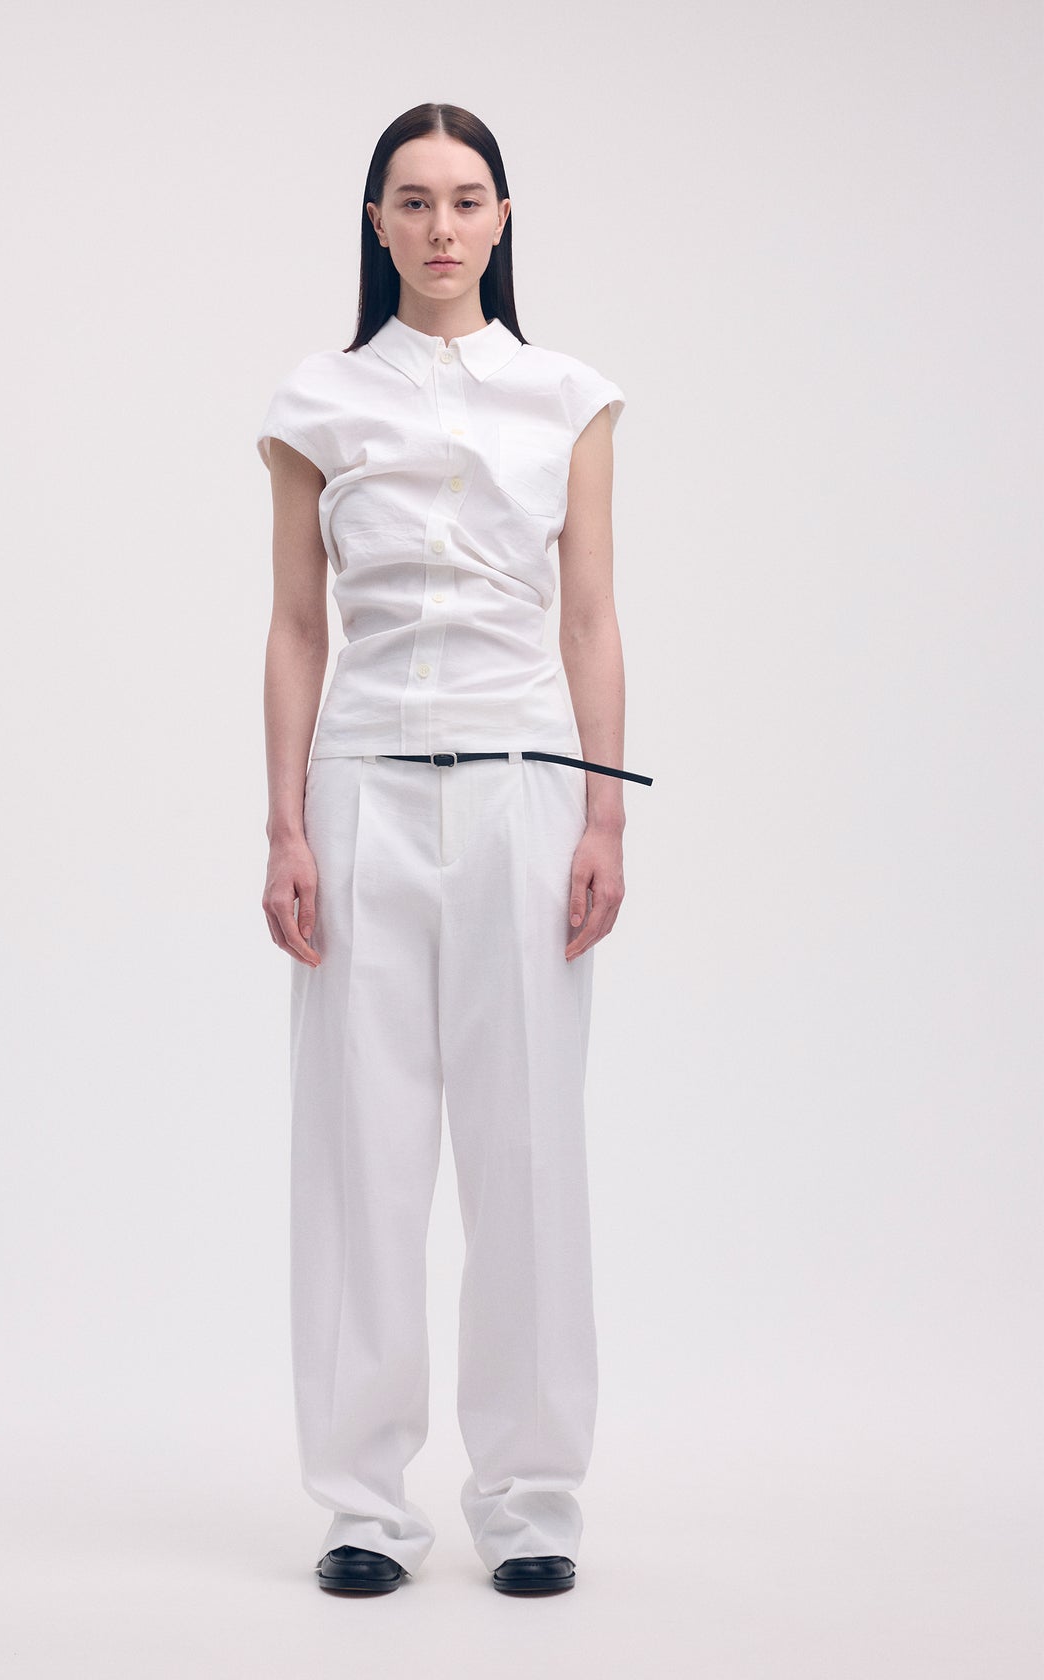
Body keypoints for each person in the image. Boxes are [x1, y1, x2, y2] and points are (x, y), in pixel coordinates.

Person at [257, 102, 648, 1597]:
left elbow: (589, 614)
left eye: (466, 198)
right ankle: (363, 1505)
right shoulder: (318, 402)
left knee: (528, 1142)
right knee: (359, 1154)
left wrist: (604, 812)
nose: (440, 226)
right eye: (412, 200)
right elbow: (299, 626)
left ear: (502, 218)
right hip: (360, 788)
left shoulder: (569, 398)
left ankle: (532, 1500)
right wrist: (285, 822)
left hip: (522, 788)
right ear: (376, 222)